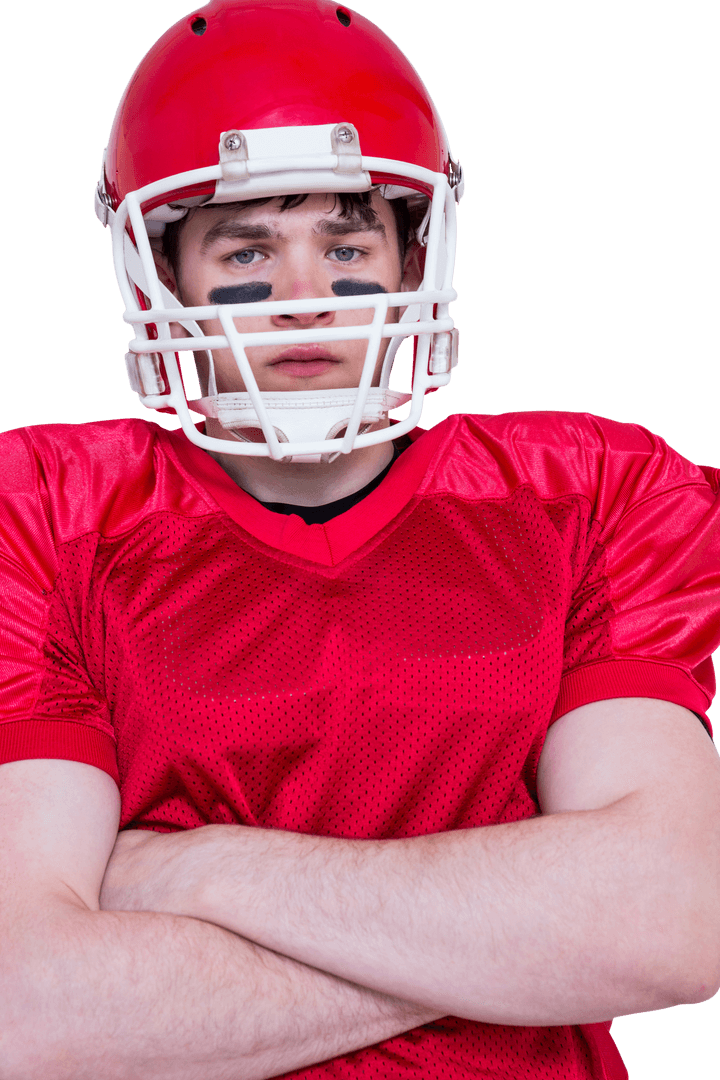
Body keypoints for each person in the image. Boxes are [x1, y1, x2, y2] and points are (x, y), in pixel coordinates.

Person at [1, 2, 719, 1078]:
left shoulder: (591, 493)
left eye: (344, 243)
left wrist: (203, 872)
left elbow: (670, 921)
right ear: (164, 273)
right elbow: (30, 1008)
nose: (302, 300)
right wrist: (518, 941)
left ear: (410, 256)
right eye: (248, 247)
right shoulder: (52, 514)